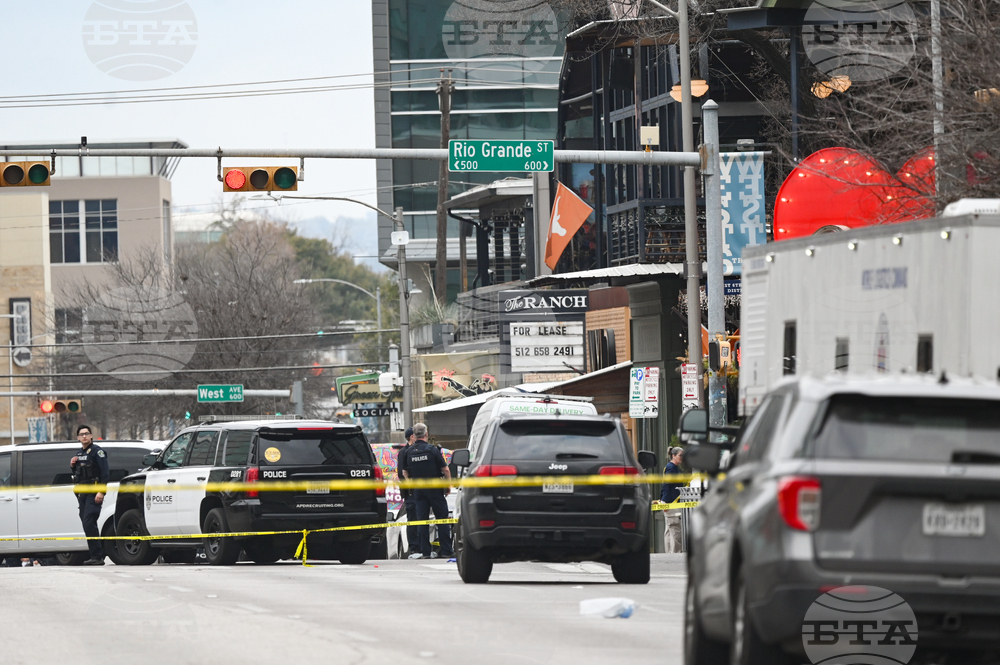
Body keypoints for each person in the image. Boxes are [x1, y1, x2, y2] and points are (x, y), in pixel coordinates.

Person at [399, 423, 453, 560]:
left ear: (414, 435)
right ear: (426, 434)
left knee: (422, 521)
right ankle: (446, 550)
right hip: (435, 489)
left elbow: (404, 472)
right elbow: (445, 469)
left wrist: (412, 484)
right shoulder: (432, 450)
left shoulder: (409, 452)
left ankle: (426, 552)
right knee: (442, 519)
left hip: (419, 491)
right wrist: (448, 485)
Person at [69, 425, 110, 565]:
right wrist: (72, 465)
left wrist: (101, 491)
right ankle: (96, 555)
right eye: (81, 434)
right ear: (78, 437)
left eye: (87, 433)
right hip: (83, 493)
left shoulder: (97, 452)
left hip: (94, 491)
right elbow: (78, 475)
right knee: (87, 524)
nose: (84, 436)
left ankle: (97, 556)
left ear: (91, 436)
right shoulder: (79, 454)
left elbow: (105, 473)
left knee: (89, 521)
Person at [396, 427, 419, 556]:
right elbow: (401, 473)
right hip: (410, 493)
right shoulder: (404, 452)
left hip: (415, 492)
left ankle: (420, 546)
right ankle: (414, 547)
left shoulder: (411, 451)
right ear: (412, 437)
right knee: (413, 520)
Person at [660, 447, 685, 554]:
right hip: (672, 503)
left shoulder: (672, 467)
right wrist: (664, 501)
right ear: (673, 455)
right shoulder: (671, 468)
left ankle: (669, 553)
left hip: (670, 502)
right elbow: (666, 485)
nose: (682, 458)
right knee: (675, 528)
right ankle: (675, 553)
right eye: (680, 455)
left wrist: (662, 500)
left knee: (669, 529)